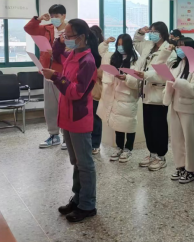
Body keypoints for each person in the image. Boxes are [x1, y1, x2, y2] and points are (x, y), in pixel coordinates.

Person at [42, 19, 98, 223]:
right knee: (76, 162)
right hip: (66, 116)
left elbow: (76, 92)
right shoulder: (72, 55)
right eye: (64, 36)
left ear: (81, 37)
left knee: (85, 164)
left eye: (69, 36)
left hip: (79, 117)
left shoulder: (87, 61)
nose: (66, 39)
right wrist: (59, 41)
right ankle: (78, 198)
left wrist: (56, 78)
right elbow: (58, 54)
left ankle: (88, 205)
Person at [24, 4, 68, 150]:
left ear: (64, 16)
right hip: (47, 72)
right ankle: (54, 135)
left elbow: (73, 52)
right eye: (52, 16)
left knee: (64, 105)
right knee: (50, 106)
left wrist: (56, 52)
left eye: (57, 16)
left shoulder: (70, 30)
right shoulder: (47, 28)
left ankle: (67, 136)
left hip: (63, 73)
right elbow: (28, 29)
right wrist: (38, 19)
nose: (54, 19)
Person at [133, 22, 172, 171]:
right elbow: (136, 42)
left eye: (155, 31)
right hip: (146, 93)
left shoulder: (169, 49)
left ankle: (161, 156)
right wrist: (141, 32)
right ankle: (152, 153)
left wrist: (145, 75)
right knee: (148, 126)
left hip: (159, 95)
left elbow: (164, 73)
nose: (152, 34)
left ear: (162, 33)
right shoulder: (149, 46)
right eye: (151, 31)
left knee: (159, 127)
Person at [163, 37, 194, 184]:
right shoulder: (179, 64)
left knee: (189, 141)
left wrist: (177, 82)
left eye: (182, 46)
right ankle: (180, 166)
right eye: (178, 46)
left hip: (188, 108)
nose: (179, 49)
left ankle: (191, 170)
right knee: (176, 139)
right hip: (174, 106)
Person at [98, 34, 140, 163]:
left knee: (129, 123)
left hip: (128, 96)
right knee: (117, 123)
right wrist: (106, 42)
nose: (120, 47)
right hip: (115, 95)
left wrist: (126, 78)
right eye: (118, 44)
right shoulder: (114, 57)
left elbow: (138, 81)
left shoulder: (135, 60)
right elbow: (102, 52)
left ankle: (128, 148)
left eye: (123, 44)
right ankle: (119, 147)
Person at [89, 25, 104, 155]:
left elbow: (102, 74)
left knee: (95, 118)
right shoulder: (85, 50)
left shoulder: (102, 53)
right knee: (87, 117)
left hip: (95, 89)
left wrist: (92, 70)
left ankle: (95, 144)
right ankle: (88, 142)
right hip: (84, 90)